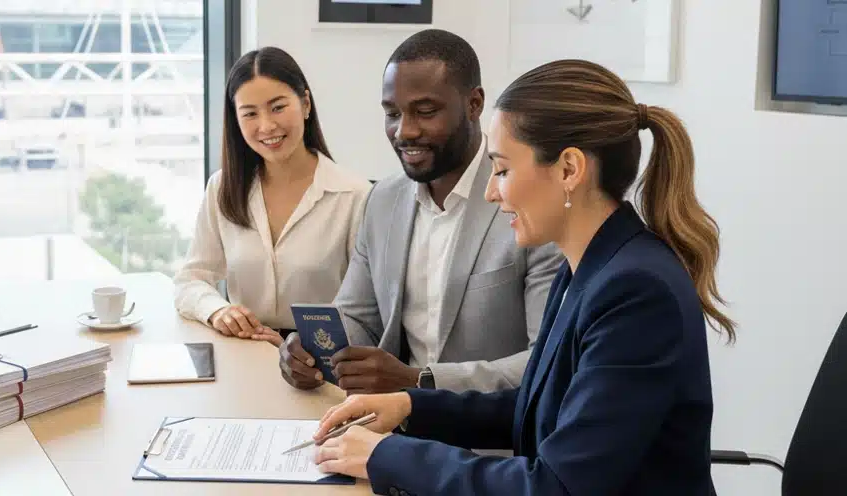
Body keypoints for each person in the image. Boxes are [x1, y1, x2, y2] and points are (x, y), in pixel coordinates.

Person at [307, 59, 738, 496]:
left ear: (569, 169)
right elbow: (537, 406)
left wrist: (387, 456)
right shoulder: (588, 267)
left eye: (503, 170)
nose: (492, 192)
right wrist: (407, 407)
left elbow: (556, 486)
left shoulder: (637, 292)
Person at [279, 29, 563, 394]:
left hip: (487, 438)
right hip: (390, 424)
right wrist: (308, 349)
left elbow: (547, 360)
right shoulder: (382, 199)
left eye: (425, 112)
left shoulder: (528, 200)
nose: (404, 132)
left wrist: (419, 382)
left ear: (474, 104)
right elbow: (356, 316)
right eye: (392, 114)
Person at [174, 47, 371, 343]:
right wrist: (218, 311)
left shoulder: (355, 196)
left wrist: (301, 350)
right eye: (250, 113)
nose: (266, 126)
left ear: (305, 104)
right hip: (243, 353)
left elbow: (367, 311)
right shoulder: (223, 187)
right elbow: (190, 280)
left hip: (322, 362)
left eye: (278, 107)